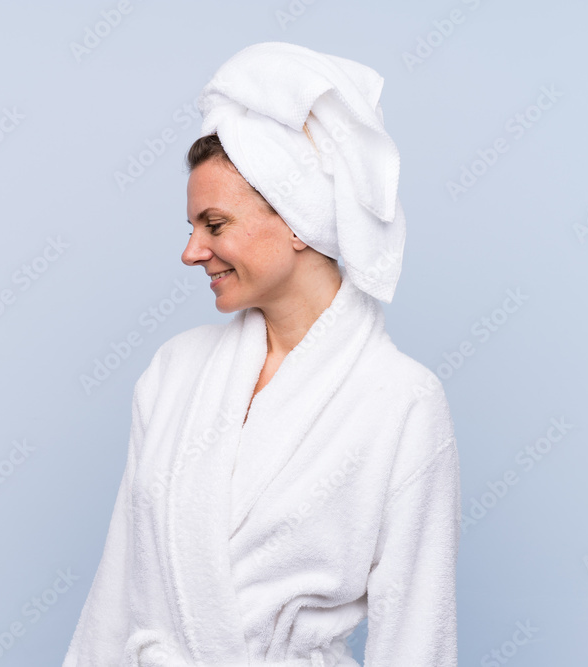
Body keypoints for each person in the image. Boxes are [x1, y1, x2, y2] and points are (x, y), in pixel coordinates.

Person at [62, 42, 461, 667]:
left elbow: (416, 636)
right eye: (191, 228)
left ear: (301, 219)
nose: (192, 253)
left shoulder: (401, 402)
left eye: (214, 225)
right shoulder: (175, 372)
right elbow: (120, 591)